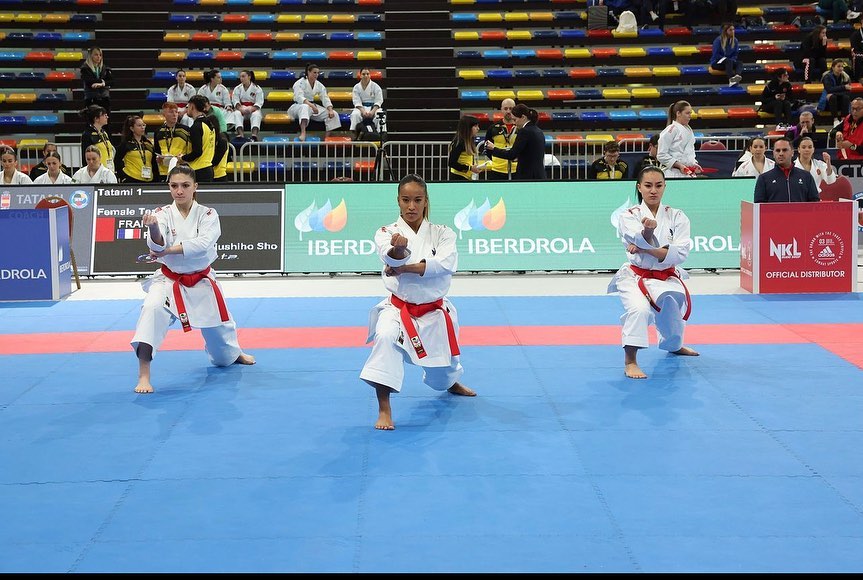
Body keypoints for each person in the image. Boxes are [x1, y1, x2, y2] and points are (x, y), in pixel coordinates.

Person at [359, 174, 475, 430]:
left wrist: (405, 267)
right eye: (406, 200)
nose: (411, 206)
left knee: (443, 368)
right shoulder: (387, 232)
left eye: (417, 200)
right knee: (385, 337)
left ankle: (450, 382)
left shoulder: (443, 233)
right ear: (398, 202)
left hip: (434, 310)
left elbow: (446, 264)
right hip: (399, 309)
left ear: (425, 202)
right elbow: (389, 259)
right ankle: (384, 408)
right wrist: (398, 251)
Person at [131, 165, 255, 394]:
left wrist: (167, 251)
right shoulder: (162, 213)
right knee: (151, 309)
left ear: (195, 187)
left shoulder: (208, 214)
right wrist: (153, 228)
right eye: (174, 186)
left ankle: (233, 353)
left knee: (222, 348)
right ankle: (144, 374)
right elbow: (157, 244)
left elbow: (203, 245)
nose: (179, 191)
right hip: (168, 280)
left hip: (201, 279)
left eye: (185, 185)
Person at [607, 166, 699, 380]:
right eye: (648, 186)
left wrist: (644, 248)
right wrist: (647, 233)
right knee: (639, 311)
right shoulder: (628, 215)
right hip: (636, 276)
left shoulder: (677, 216)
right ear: (639, 188)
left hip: (666, 275)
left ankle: (674, 346)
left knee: (673, 319)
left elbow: (681, 252)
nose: (653, 190)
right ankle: (630, 360)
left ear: (665, 186)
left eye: (658, 185)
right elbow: (635, 238)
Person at [484, 103, 546, 180]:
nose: (514, 123)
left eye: (515, 119)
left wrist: (493, 149)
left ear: (523, 117)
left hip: (527, 176)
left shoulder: (524, 131)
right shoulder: (538, 130)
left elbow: (511, 155)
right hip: (539, 174)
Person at [753, 137, 820, 202]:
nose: (781, 153)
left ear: (792, 152)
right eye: (778, 150)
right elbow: (759, 207)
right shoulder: (764, 179)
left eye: (785, 150)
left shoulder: (806, 176)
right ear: (773, 153)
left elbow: (814, 202)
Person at [288, 63, 342, 142]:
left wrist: (330, 109)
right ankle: (303, 133)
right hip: (298, 107)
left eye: (318, 73)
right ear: (308, 72)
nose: (316, 75)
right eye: (314, 72)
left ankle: (327, 138)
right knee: (305, 107)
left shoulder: (318, 84)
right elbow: (299, 97)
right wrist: (312, 106)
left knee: (333, 114)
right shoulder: (299, 83)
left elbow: (325, 97)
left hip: (311, 107)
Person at [176, 95, 215, 182]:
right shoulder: (210, 124)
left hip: (199, 170)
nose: (187, 109)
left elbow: (197, 152)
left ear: (192, 106)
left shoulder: (196, 127)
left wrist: (183, 158)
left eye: (188, 106)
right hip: (208, 167)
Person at [657, 100, 702, 178]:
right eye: (687, 113)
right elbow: (661, 155)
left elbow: (689, 152)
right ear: (678, 113)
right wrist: (679, 165)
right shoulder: (671, 129)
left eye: (690, 113)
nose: (690, 116)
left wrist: (693, 164)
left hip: (688, 172)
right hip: (673, 173)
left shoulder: (688, 130)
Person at [116, 115, 159, 183]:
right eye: (139, 125)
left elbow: (153, 162)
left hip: (149, 180)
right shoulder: (126, 144)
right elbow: (117, 161)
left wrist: (156, 179)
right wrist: (122, 176)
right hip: (131, 179)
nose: (142, 128)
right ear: (132, 128)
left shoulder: (148, 143)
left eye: (143, 125)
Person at [154, 102, 191, 177]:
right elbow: (157, 151)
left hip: (181, 169)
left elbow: (190, 149)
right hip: (164, 171)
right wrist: (158, 158)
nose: (174, 114)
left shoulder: (186, 130)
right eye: (171, 112)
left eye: (176, 112)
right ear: (164, 114)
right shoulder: (158, 131)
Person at [484, 98, 518, 180]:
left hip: (516, 169)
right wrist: (496, 159)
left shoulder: (520, 128)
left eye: (511, 108)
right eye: (506, 108)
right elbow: (487, 147)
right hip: (497, 169)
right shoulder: (493, 128)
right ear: (501, 109)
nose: (508, 111)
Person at [349, 67, 384, 140]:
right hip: (361, 107)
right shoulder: (356, 87)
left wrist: (372, 111)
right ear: (360, 75)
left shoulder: (376, 86)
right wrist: (363, 111)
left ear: (370, 75)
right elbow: (356, 101)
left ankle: (381, 135)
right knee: (355, 114)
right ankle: (356, 135)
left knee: (380, 115)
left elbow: (379, 100)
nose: (366, 76)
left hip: (374, 107)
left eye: (367, 74)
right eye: (363, 74)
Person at [448, 115, 486, 181]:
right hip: (458, 177)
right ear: (468, 128)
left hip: (466, 177)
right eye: (475, 126)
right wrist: (470, 168)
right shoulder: (459, 142)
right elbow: (451, 163)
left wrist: (472, 168)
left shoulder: (469, 141)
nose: (478, 128)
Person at [80, 105, 116, 172]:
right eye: (104, 115)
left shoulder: (104, 133)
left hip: (109, 170)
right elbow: (85, 156)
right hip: (97, 171)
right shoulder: (87, 134)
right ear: (96, 118)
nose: (107, 117)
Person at [230, 70, 264, 141]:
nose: (241, 78)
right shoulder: (237, 88)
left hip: (253, 109)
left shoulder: (257, 88)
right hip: (242, 108)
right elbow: (235, 101)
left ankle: (254, 135)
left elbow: (259, 102)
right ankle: (240, 134)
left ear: (249, 77)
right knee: (236, 113)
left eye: (243, 76)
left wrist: (251, 108)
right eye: (240, 77)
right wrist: (240, 108)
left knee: (256, 114)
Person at [818, 59, 852, 126]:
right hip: (828, 103)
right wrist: (843, 87)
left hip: (840, 101)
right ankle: (835, 120)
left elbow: (847, 91)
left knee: (846, 97)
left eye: (842, 66)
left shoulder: (845, 77)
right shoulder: (827, 76)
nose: (841, 68)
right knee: (833, 97)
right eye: (838, 66)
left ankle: (843, 119)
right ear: (833, 67)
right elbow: (829, 89)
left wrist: (836, 92)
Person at [80, 46, 112, 111]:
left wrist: (102, 84)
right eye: (96, 55)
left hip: (104, 98)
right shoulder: (85, 69)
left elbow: (112, 81)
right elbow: (89, 81)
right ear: (91, 56)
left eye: (100, 55)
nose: (98, 57)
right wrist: (103, 82)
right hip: (91, 99)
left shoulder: (105, 68)